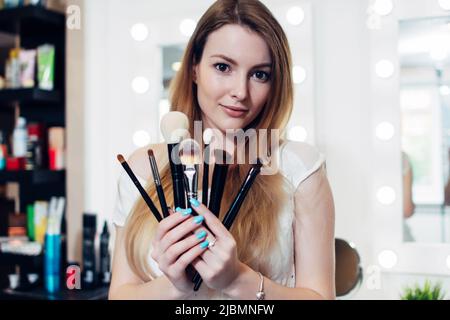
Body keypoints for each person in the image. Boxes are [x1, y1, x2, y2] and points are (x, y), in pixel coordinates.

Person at [109, 0, 335, 300]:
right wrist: (175, 285)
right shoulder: (142, 167)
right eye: (223, 67)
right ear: (194, 69)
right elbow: (120, 294)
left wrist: (237, 279)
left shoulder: (299, 168)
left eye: (260, 74)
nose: (240, 91)